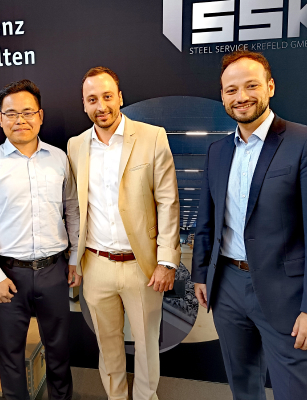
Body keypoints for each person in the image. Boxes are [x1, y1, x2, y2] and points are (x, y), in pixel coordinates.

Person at [192, 50, 307, 400]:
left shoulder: (301, 142)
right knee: (242, 385)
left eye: (251, 86)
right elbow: (208, 217)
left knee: (294, 390)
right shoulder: (218, 150)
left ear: (270, 87)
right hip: (227, 286)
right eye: (231, 90)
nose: (241, 97)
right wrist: (201, 273)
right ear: (222, 95)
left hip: (286, 292)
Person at [67, 66, 180, 400]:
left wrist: (166, 262)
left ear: (119, 97)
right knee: (107, 345)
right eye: (92, 99)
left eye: (107, 96)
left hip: (141, 266)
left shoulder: (152, 137)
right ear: (84, 104)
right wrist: (74, 260)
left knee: (146, 345)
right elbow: (74, 208)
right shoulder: (75, 146)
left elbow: (168, 202)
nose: (101, 106)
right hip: (96, 265)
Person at [0, 79, 80, 400]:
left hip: (54, 271)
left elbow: (73, 210)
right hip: (9, 275)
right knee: (11, 355)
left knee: (59, 351)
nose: (20, 120)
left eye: (28, 112)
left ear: (40, 116)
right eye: (11, 114)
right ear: (0, 118)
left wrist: (75, 258)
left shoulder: (59, 159)